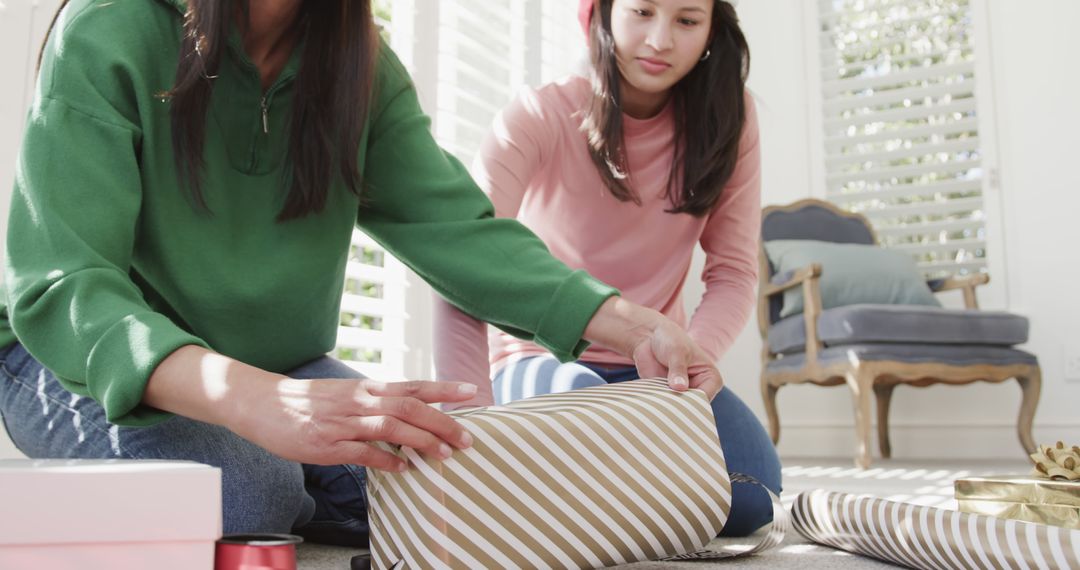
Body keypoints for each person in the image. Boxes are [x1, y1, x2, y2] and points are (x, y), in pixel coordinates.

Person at [0, 0, 723, 546]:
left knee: (471, 479)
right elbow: (64, 287)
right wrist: (255, 404)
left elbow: (458, 234)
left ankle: (322, 492)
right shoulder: (109, 29)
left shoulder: (359, 64)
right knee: (253, 494)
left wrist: (634, 326)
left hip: (278, 367)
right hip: (69, 364)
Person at [433, 0, 781, 536]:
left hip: (660, 366)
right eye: (642, 11)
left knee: (753, 498)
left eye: (687, 20)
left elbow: (733, 272)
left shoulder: (732, 120)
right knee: (600, 441)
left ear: (713, 30)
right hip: (540, 355)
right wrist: (469, 418)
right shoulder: (538, 114)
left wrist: (689, 368)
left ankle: (594, 501)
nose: (660, 39)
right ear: (602, 13)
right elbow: (461, 262)